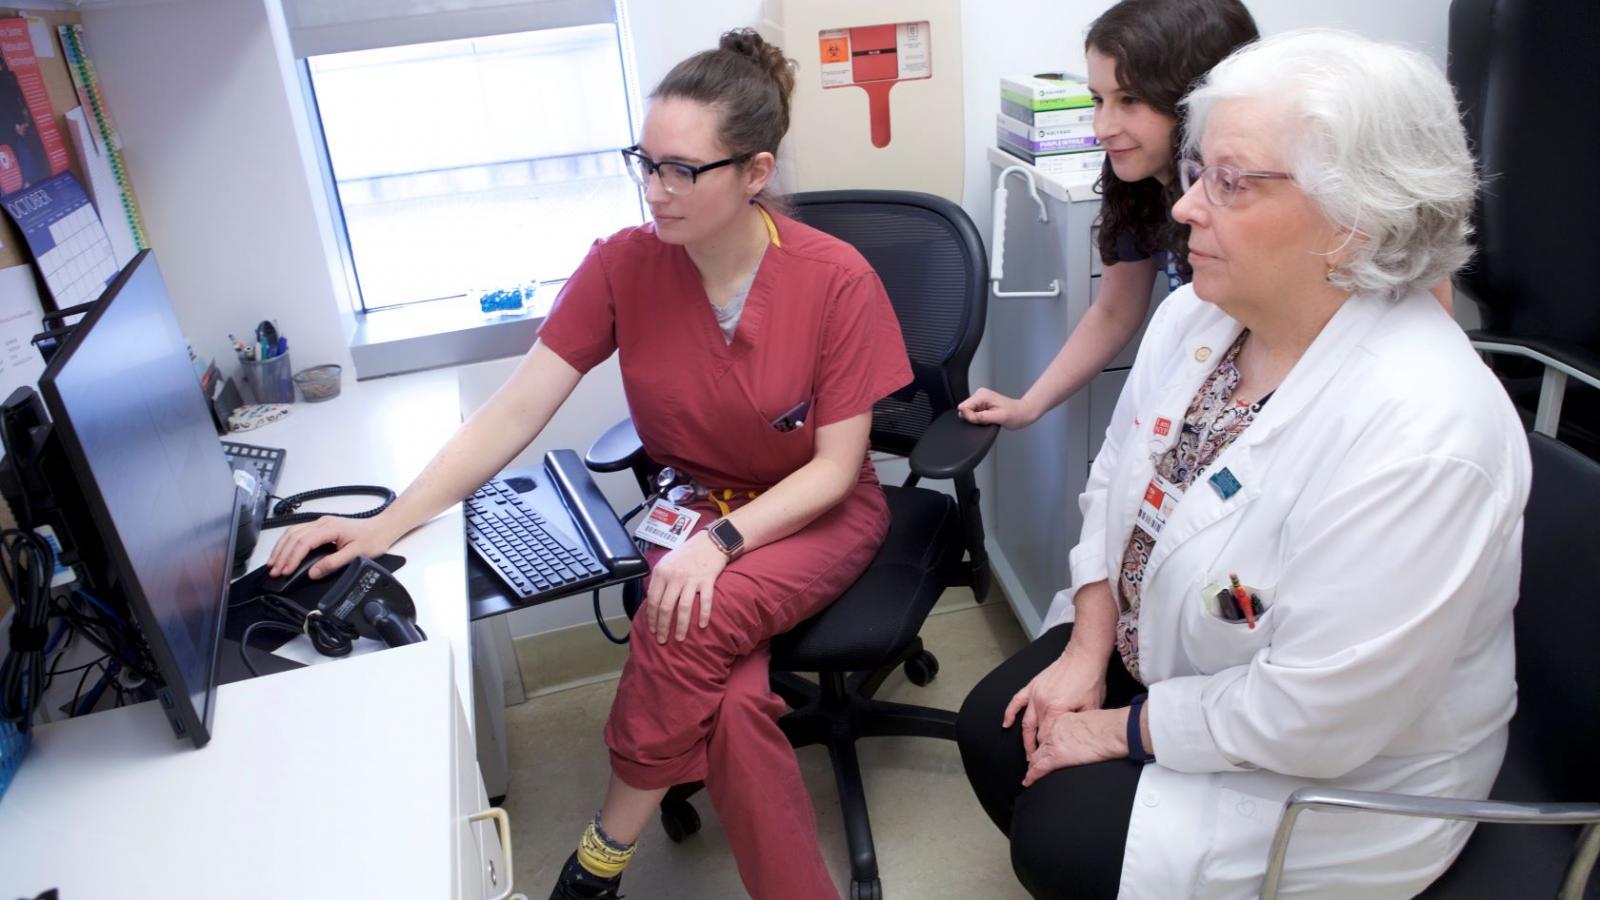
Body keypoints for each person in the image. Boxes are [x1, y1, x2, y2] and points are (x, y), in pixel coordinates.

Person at [267, 29, 911, 900]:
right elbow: (515, 411)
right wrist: (384, 523)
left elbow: (836, 469)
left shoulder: (836, 280)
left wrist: (720, 544)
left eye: (682, 170)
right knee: (732, 704)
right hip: (690, 508)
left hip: (812, 512)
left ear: (755, 173)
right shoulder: (622, 266)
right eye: (644, 163)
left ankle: (599, 858)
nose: (655, 190)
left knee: (690, 619)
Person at [956, 29, 1530, 899]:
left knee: (1062, 836)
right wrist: (1087, 642)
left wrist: (1121, 730)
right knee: (991, 732)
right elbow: (1114, 482)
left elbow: (1316, 714)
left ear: (1356, 219)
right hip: (1186, 654)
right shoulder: (1199, 316)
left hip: (1337, 772)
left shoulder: (1425, 432)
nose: (1184, 209)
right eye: (1195, 174)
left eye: (1230, 182)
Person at [958, 0, 1259, 430]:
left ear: (1194, 99)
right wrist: (1029, 405)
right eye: (1099, 100)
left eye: (1130, 99)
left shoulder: (1257, 207)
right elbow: (1115, 309)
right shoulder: (1137, 180)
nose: (1103, 127)